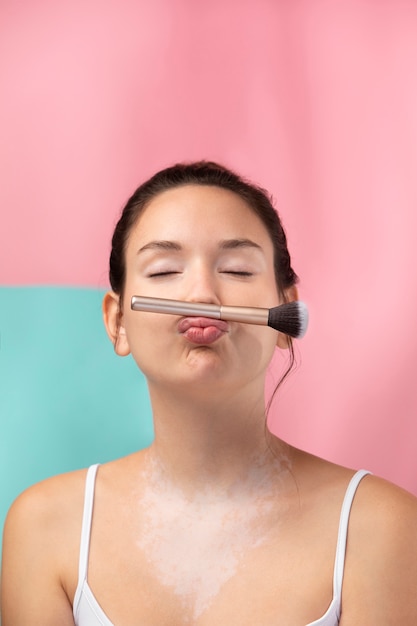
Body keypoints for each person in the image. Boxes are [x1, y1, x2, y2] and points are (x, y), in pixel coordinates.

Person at [1, 161, 417, 625]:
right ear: (118, 322)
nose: (202, 294)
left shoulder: (380, 527)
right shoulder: (46, 526)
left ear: (286, 315)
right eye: (164, 272)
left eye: (237, 270)